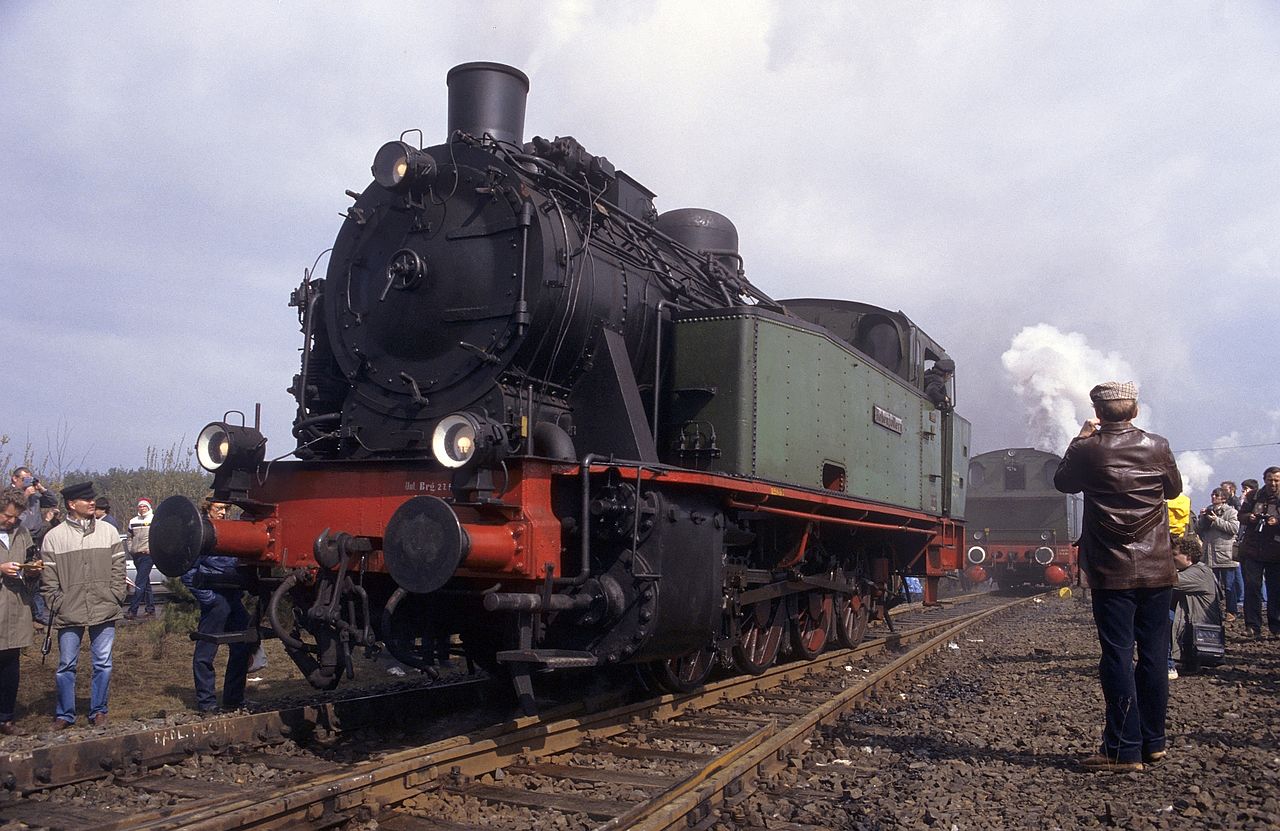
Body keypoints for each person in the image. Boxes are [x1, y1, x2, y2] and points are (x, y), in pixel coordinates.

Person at [1054, 381, 1181, 772]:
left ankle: (1123, 748)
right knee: (1155, 656)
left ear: (1099, 411)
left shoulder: (1087, 449)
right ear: (1135, 410)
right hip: (1158, 565)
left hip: (1111, 569)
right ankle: (1153, 743)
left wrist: (1081, 436)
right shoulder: (1157, 445)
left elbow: (1063, 482)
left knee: (1118, 655)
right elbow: (1173, 491)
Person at [40, 481, 126, 728]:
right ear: (71, 504)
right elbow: (49, 578)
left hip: (104, 607)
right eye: (86, 500)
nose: (92, 503)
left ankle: (99, 710)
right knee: (66, 665)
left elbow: (119, 567)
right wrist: (58, 602)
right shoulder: (54, 538)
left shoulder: (108, 532)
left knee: (103, 663)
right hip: (69, 610)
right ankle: (65, 714)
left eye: (93, 499)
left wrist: (116, 595)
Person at [181, 497, 252, 713]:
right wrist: (208, 598)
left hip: (233, 597)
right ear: (208, 508)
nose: (223, 512)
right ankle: (207, 703)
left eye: (226, 509)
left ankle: (233, 698)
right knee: (206, 651)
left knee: (243, 645)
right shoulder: (200, 534)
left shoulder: (229, 530)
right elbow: (187, 571)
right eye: (219, 508)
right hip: (215, 597)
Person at [1, 487, 40, 735]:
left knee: (10, 664)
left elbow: (29, 562)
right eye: (7, 516)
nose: (12, 521)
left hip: (15, 607)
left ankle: (6, 717)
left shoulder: (22, 532)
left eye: (16, 517)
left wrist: (33, 570)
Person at [1170, 535, 1222, 676]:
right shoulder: (1199, 570)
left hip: (1199, 633)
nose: (1171, 558)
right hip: (1194, 629)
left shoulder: (1199, 573)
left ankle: (1168, 664)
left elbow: (1169, 580)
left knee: (1163, 616)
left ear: (1189, 556)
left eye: (1174, 554)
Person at [1238, 467, 1280, 640]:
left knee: (1276, 590)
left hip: (1276, 551)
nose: (1273, 483)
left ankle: (1276, 626)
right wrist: (1251, 518)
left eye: (1276, 480)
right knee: (1252, 587)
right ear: (1264, 479)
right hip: (1253, 550)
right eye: (1270, 479)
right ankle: (1252, 626)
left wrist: (1277, 521)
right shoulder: (1253, 496)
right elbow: (1241, 515)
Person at [1197, 488, 1241, 622]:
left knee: (1228, 586)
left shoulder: (1231, 512)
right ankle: (1214, 611)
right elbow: (1198, 529)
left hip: (1226, 554)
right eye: (1212, 494)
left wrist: (1216, 520)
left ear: (1223, 498)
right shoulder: (1209, 511)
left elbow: (1234, 528)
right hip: (1210, 554)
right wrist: (1203, 519)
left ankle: (1231, 611)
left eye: (1216, 495)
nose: (1213, 497)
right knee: (1212, 586)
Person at [125, 498, 156, 619]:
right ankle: (150, 609)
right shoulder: (133, 521)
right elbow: (129, 537)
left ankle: (133, 610)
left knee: (139, 583)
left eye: (144, 506)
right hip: (136, 555)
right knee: (145, 583)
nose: (142, 508)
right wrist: (131, 550)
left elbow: (158, 537)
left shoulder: (154, 519)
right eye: (140, 506)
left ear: (148, 507)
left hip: (147, 555)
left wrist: (152, 549)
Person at [9, 467, 49, 533]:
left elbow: (52, 502)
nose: (27, 482)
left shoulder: (33, 495)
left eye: (29, 480)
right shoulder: (7, 493)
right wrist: (25, 496)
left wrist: (42, 490)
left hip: (35, 533)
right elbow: (11, 510)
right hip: (17, 532)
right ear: (15, 478)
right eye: (24, 479)